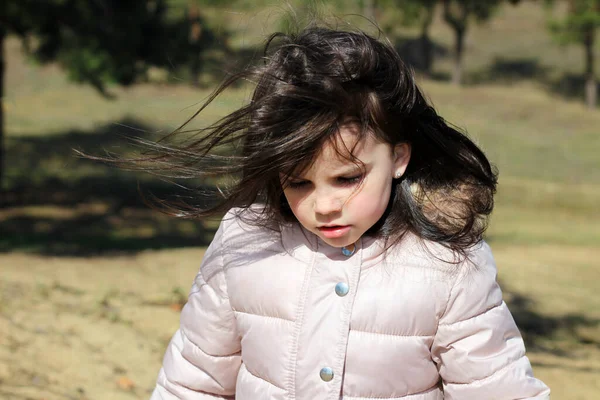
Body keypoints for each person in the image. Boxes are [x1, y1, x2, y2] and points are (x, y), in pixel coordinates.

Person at [148, 24, 551, 399]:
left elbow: (498, 388)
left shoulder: (449, 263)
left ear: (398, 158)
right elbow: (191, 383)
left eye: (346, 179)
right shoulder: (244, 242)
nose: (324, 206)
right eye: (298, 183)